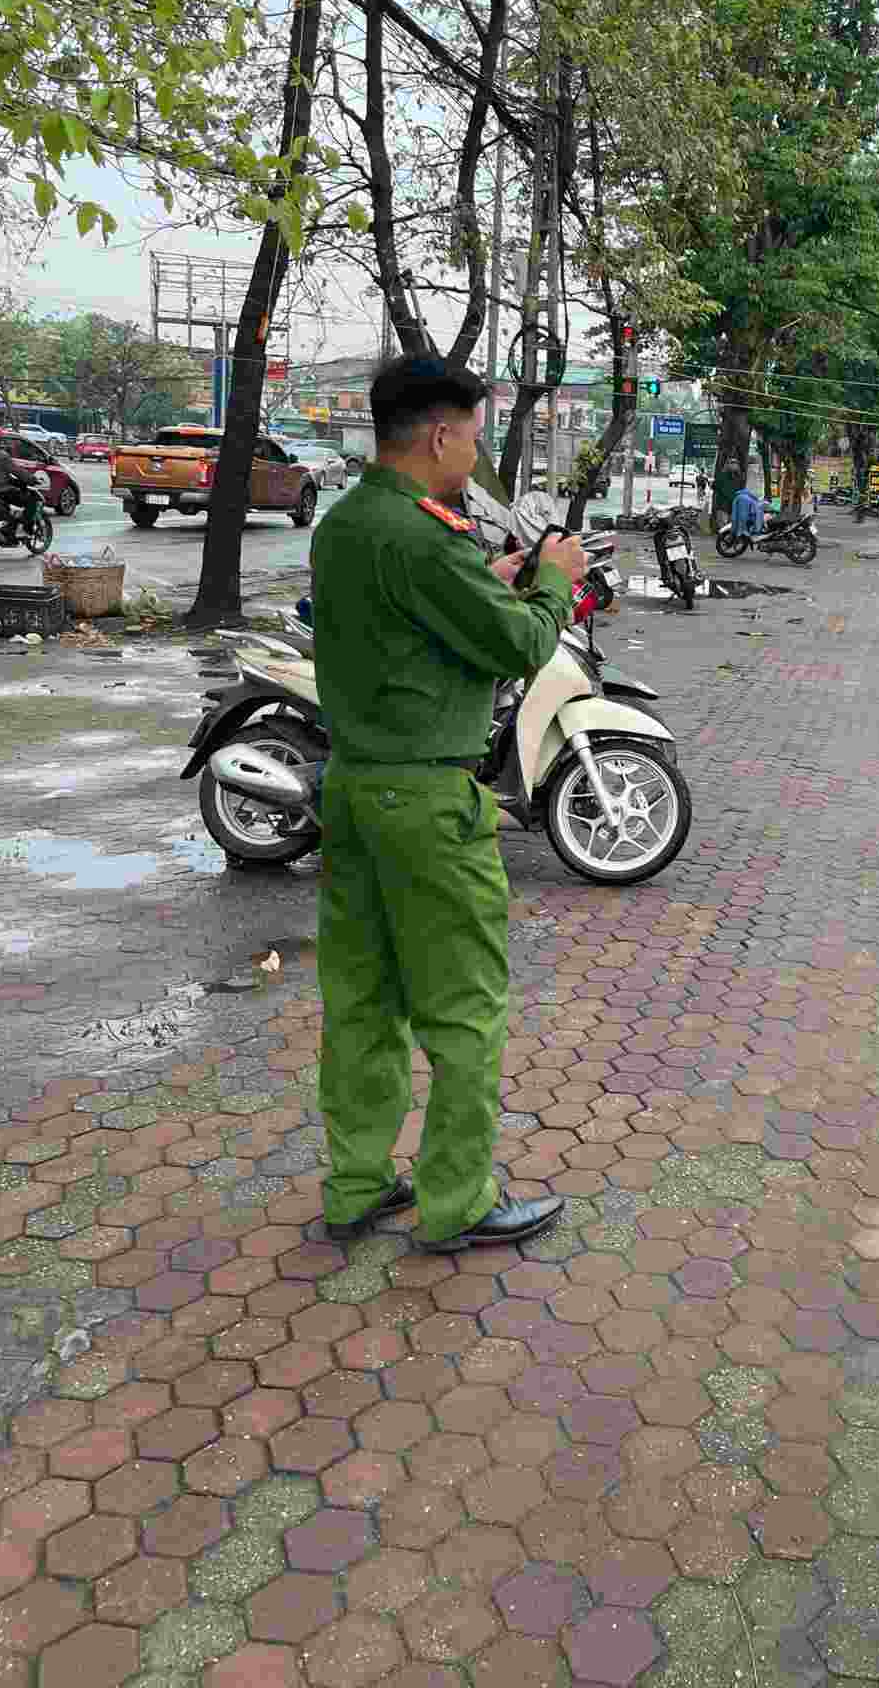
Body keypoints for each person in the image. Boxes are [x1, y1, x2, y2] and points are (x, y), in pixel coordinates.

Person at [311, 354, 589, 1252]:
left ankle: (356, 1184)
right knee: (463, 1010)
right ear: (440, 435)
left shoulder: (348, 521)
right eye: (471, 435)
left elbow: (413, 625)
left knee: (361, 1002)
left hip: (352, 789)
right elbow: (517, 647)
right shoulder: (425, 537)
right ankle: (457, 1201)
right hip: (428, 802)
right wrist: (552, 580)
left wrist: (489, 581)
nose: (473, 452)